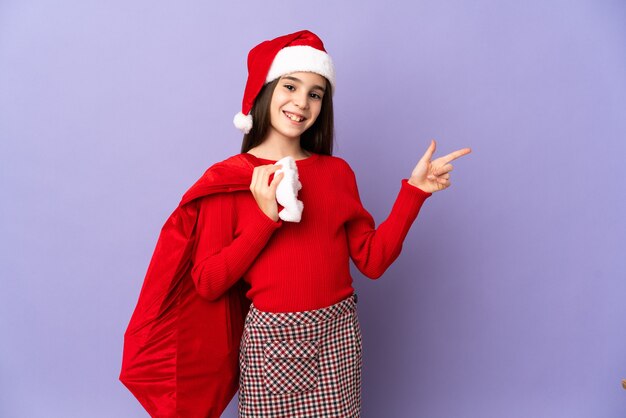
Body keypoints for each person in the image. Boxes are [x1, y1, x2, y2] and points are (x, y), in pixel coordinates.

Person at [119, 29, 471, 418]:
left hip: (338, 337)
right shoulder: (231, 178)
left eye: (315, 94)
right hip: (271, 345)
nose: (301, 103)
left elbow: (372, 261)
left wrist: (415, 192)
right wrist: (266, 218)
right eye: (290, 86)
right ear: (267, 90)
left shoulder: (337, 173)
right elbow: (208, 282)